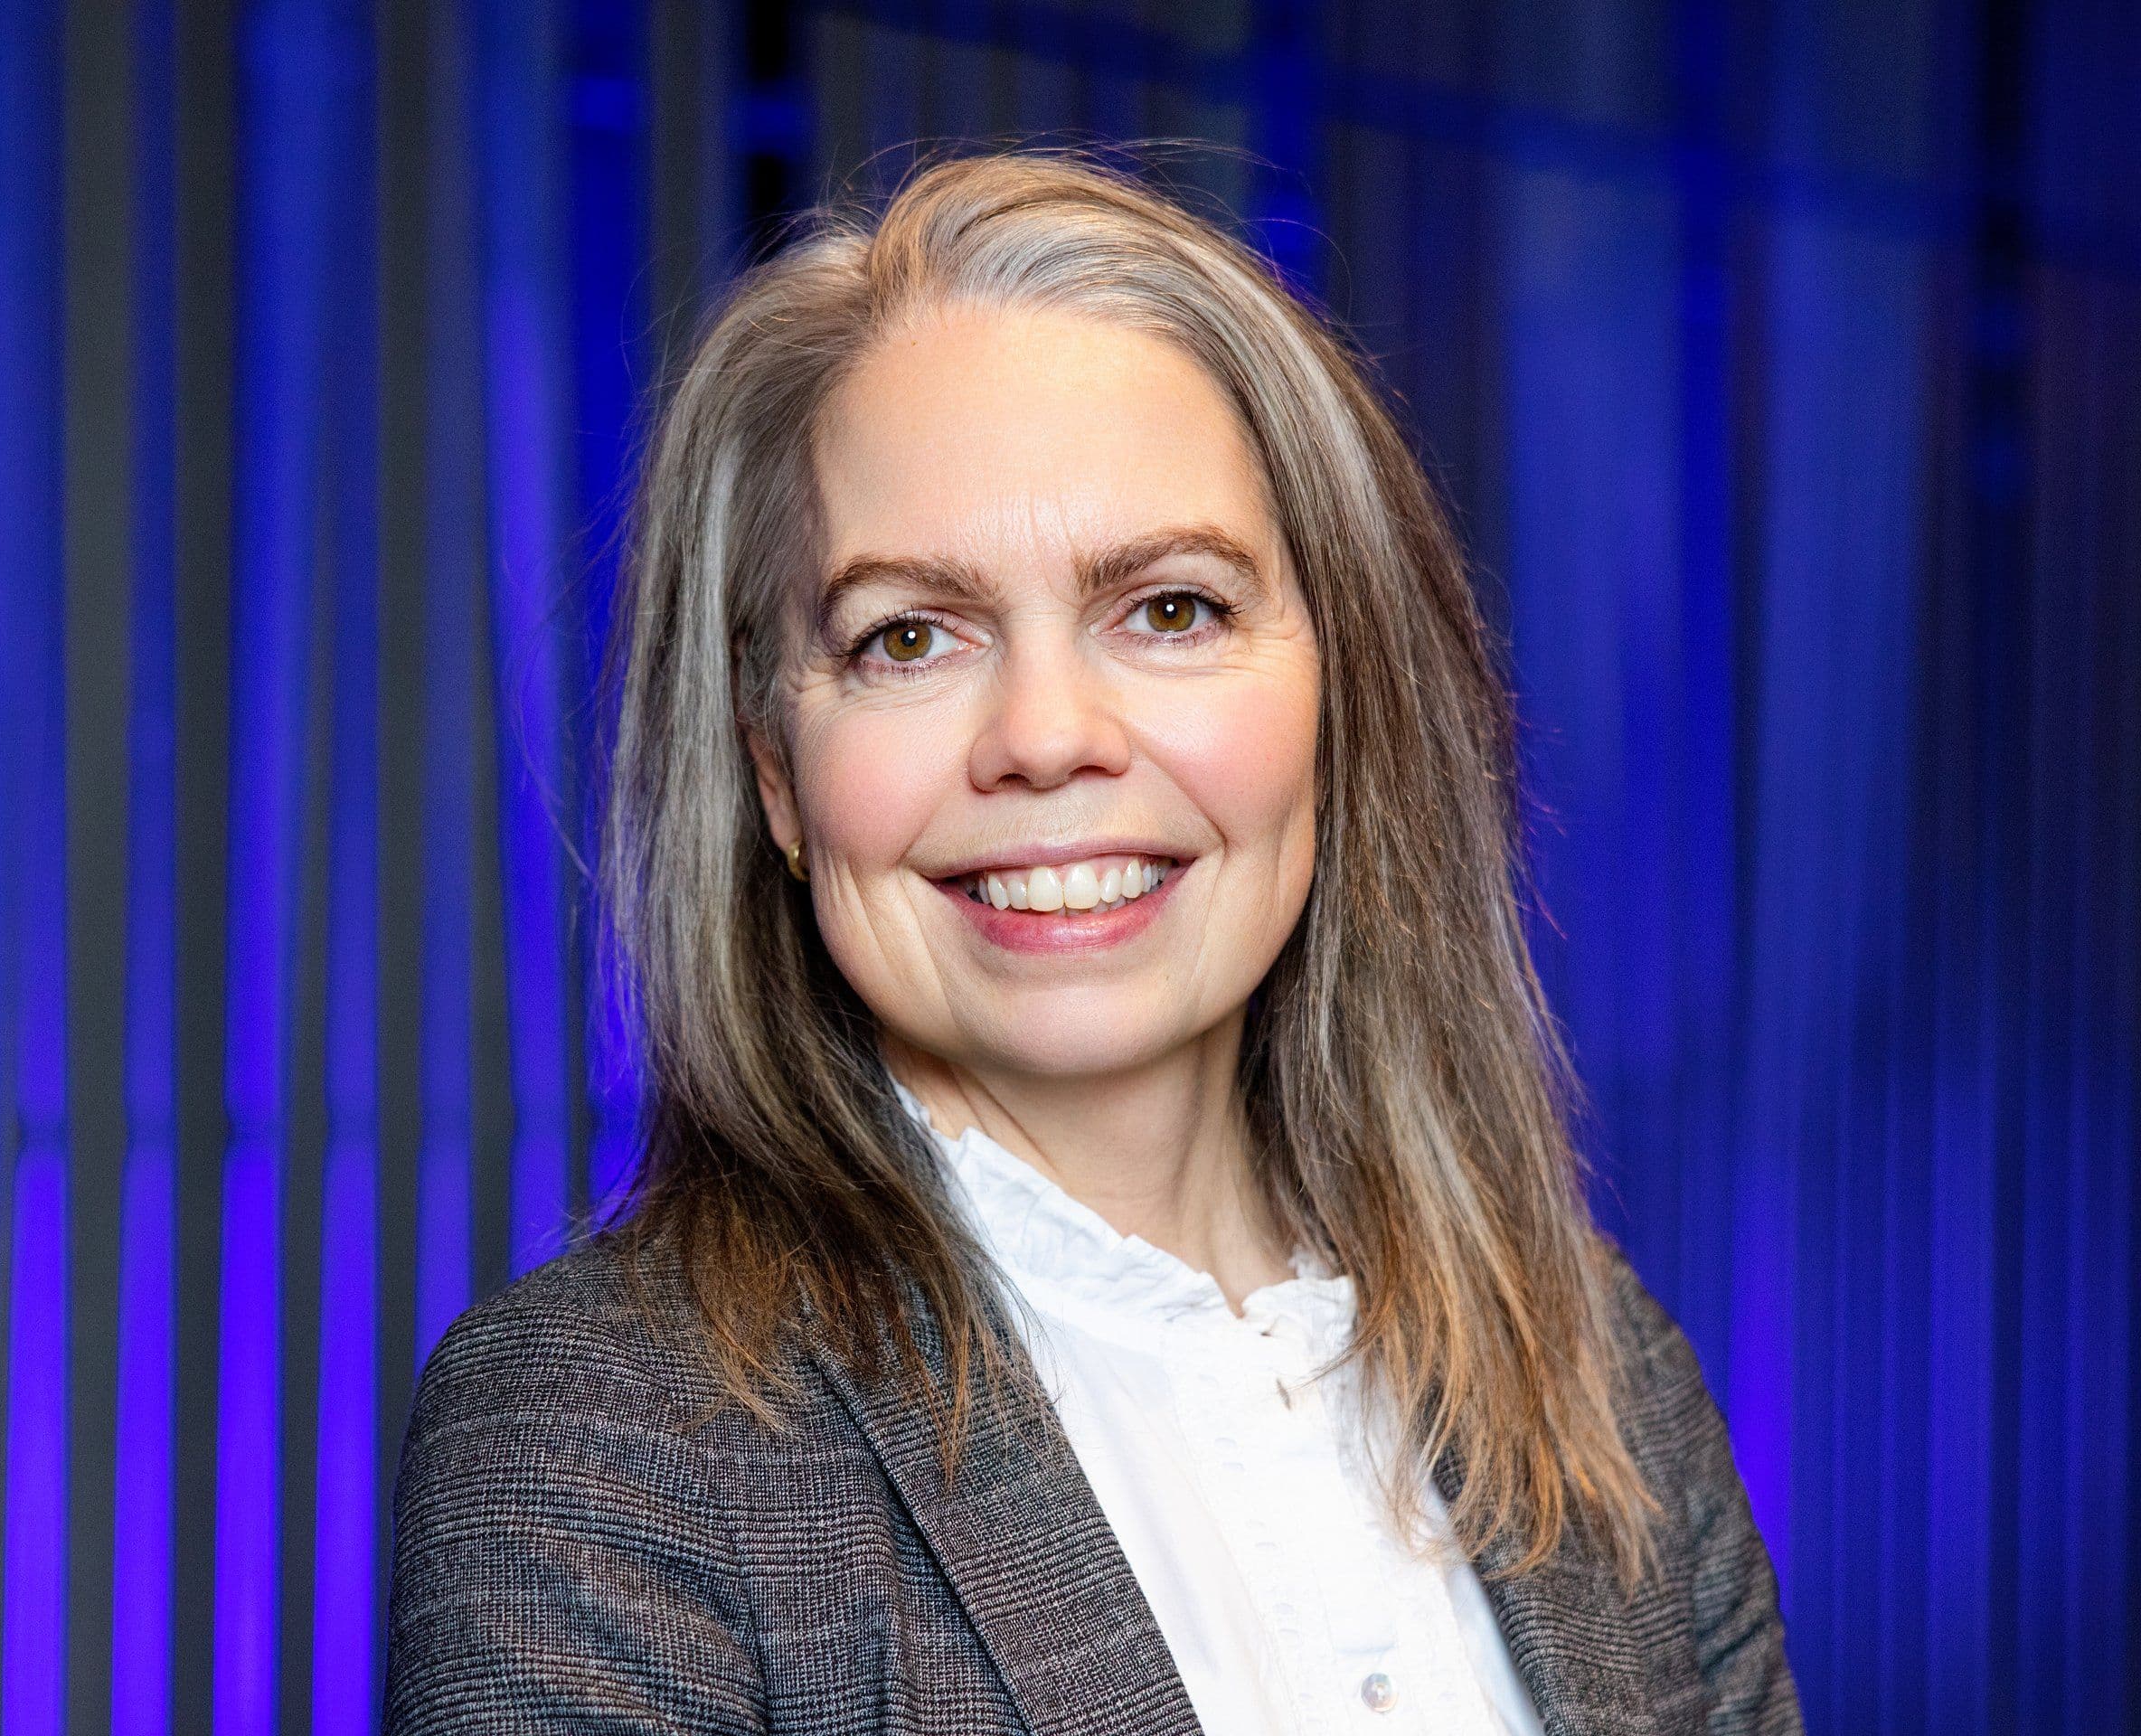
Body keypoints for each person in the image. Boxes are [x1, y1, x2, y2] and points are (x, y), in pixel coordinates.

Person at [382, 144, 1802, 1735]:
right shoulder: (602, 1431)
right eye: (908, 637)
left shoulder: (1602, 1366)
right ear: (776, 774)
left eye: (1172, 609)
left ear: (1343, 694)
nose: (1047, 739)